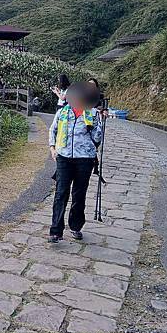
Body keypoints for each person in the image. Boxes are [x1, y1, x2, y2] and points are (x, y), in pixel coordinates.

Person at [48, 82, 102, 243]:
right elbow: (53, 129)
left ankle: (76, 226)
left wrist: (92, 125)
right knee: (60, 193)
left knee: (79, 194)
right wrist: (52, 148)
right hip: (64, 157)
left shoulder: (92, 113)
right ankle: (56, 230)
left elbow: (98, 138)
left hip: (85, 159)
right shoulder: (63, 112)